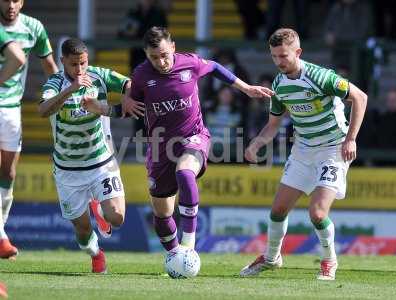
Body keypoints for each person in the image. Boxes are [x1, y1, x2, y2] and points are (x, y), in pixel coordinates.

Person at [84, 27, 273, 255]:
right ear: (146, 54)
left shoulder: (189, 63)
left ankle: (189, 245)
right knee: (162, 215)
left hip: (194, 137)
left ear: (172, 47)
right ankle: (176, 256)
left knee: (185, 173)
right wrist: (100, 108)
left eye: (164, 54)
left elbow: (213, 66)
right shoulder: (141, 77)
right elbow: (128, 110)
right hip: (160, 148)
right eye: (154, 57)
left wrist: (246, 88)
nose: (161, 61)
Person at [240, 28, 367, 280]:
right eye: (274, 57)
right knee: (277, 210)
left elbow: (360, 97)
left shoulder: (321, 77)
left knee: (317, 213)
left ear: (298, 52)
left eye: (283, 56)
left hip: (332, 148)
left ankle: (329, 261)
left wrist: (351, 139)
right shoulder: (279, 84)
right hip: (303, 149)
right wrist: (255, 144)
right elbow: (273, 124)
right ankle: (271, 257)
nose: (279, 62)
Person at [38, 38, 131, 273]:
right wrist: (71, 89)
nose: (80, 70)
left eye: (83, 63)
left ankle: (99, 209)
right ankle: (96, 254)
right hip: (68, 169)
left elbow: (128, 83)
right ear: (62, 62)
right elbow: (42, 110)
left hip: (101, 161)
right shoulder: (55, 83)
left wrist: (128, 94)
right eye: (73, 65)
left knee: (117, 217)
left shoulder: (98, 76)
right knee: (81, 229)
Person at [0, 0, 58, 259]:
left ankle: (0, 231)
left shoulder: (33, 27)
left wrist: (61, 95)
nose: (10, 5)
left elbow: (49, 67)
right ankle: (1, 238)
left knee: (9, 173)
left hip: (12, 109)